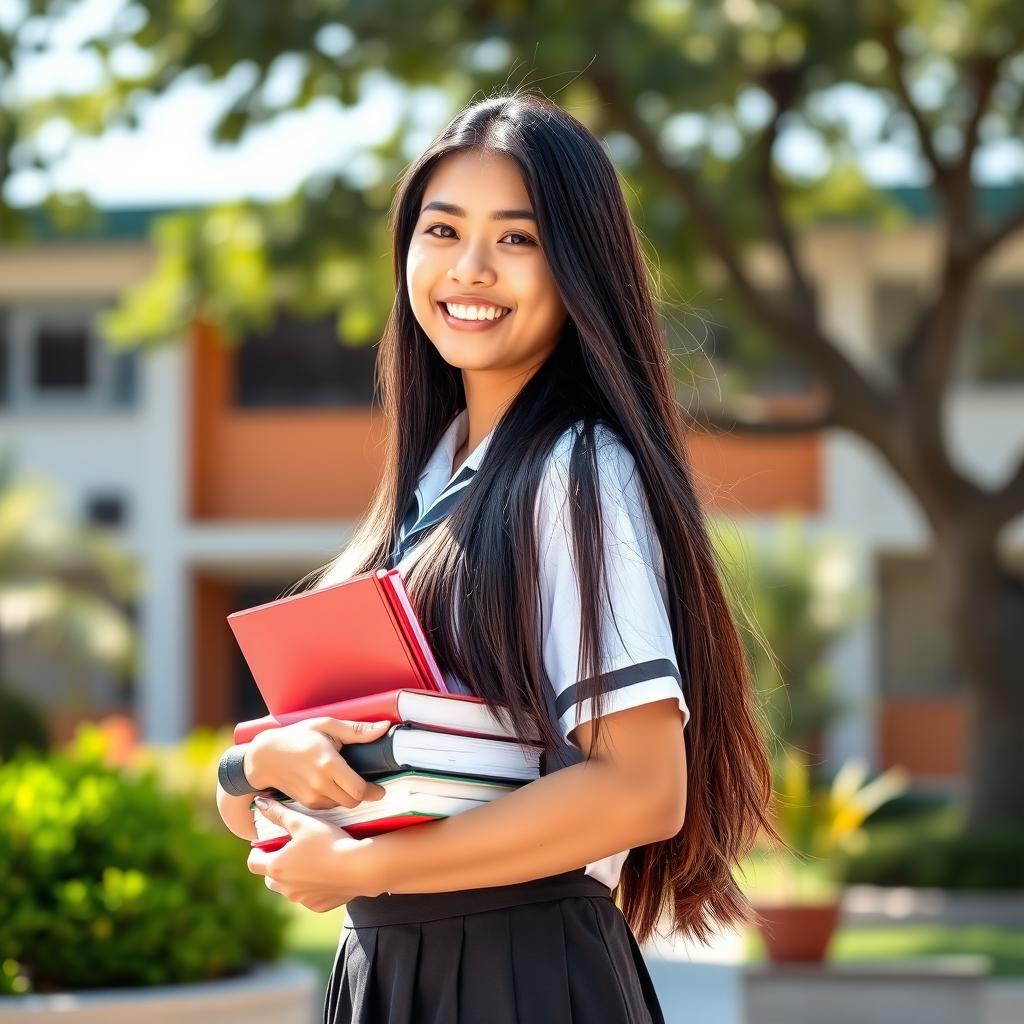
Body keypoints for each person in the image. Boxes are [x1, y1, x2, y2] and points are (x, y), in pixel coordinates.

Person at [215, 88, 779, 1024]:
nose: (469, 268)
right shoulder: (425, 496)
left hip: (519, 970)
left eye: (517, 239)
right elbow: (302, 799)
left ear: (578, 269)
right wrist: (260, 767)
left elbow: (642, 790)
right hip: (393, 964)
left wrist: (372, 865)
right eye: (442, 230)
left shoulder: (577, 470)